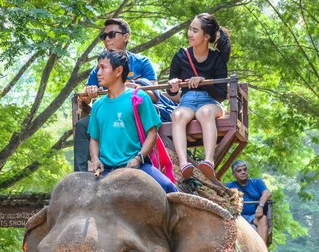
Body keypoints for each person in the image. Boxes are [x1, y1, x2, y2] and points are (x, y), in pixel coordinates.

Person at [74, 18, 158, 172]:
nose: (107, 39)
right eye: (103, 36)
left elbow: (154, 94)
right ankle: (80, 174)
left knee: (166, 186)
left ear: (126, 37)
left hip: (135, 113)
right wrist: (90, 92)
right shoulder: (100, 67)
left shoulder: (142, 62)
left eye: (111, 34)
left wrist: (136, 90)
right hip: (109, 111)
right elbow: (84, 96)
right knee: (82, 125)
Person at [88, 49, 178, 193]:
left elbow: (152, 133)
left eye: (103, 67)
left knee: (168, 187)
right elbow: (94, 139)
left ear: (118, 71)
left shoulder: (139, 97)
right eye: (98, 67)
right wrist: (95, 159)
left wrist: (138, 158)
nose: (98, 72)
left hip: (137, 166)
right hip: (106, 169)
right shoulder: (97, 105)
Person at [167, 13, 231, 183]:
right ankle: (183, 164)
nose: (190, 34)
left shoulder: (217, 58)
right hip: (187, 101)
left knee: (204, 113)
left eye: (195, 31)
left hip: (210, 102)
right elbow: (173, 93)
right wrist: (173, 86)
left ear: (206, 36)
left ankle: (208, 160)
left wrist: (204, 83)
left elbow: (221, 94)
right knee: (177, 115)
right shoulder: (181, 56)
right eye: (190, 29)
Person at [227, 160, 271, 244]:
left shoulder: (257, 182)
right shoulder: (229, 186)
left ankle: (262, 249)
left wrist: (260, 206)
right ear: (234, 174)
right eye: (239, 171)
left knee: (263, 218)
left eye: (244, 169)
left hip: (254, 216)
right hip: (237, 216)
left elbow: (267, 193)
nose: (243, 172)